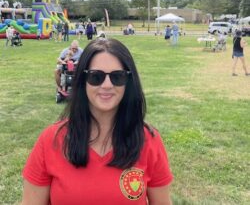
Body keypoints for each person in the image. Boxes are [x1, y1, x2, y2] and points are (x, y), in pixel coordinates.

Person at [21, 38, 173, 204]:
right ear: (82, 81)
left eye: (117, 76)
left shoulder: (148, 141)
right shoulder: (51, 140)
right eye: (96, 76)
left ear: (128, 82)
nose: (107, 85)